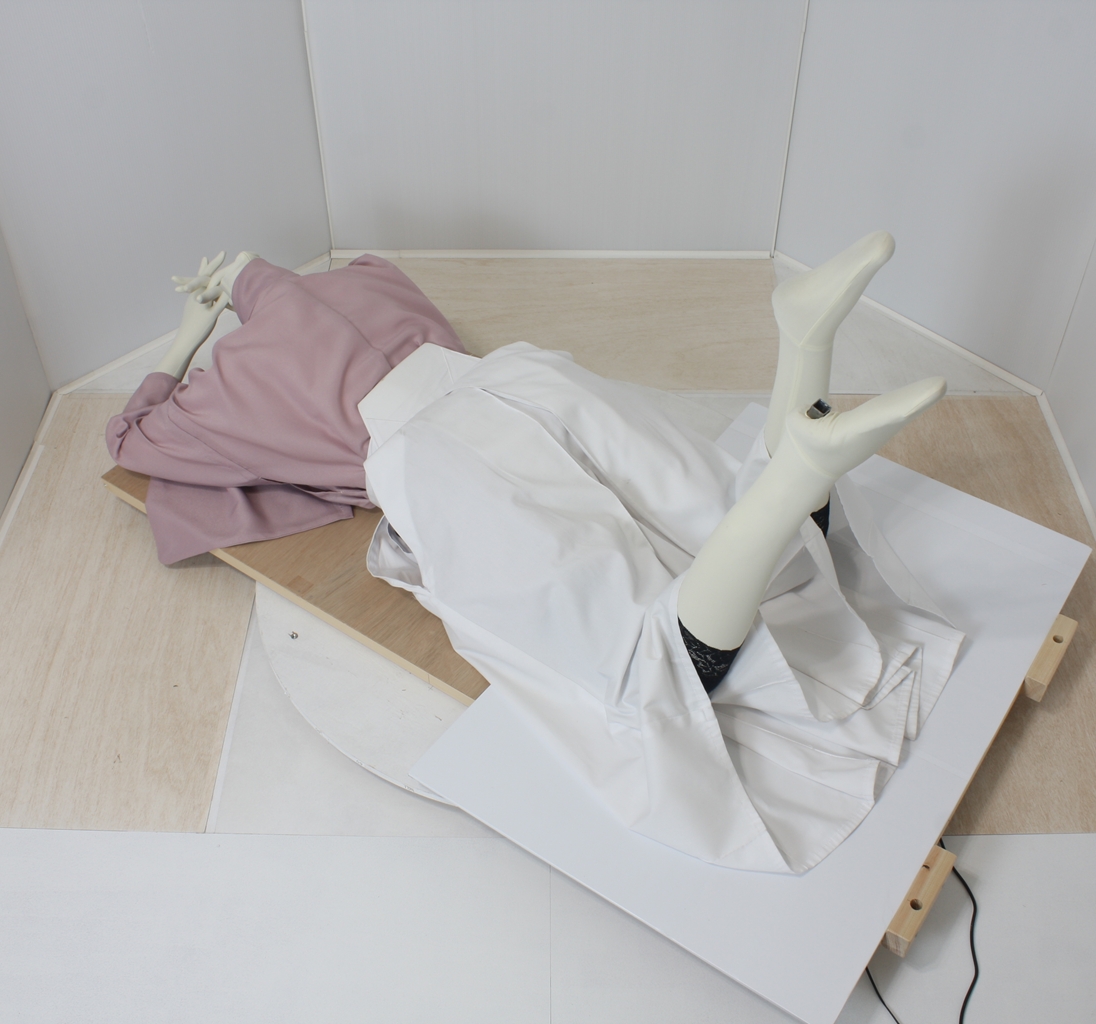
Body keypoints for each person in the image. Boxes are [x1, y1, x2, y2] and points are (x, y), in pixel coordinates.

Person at [108, 235, 957, 872]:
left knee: (636, 666)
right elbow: (284, 289)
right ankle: (802, 347)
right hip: (520, 380)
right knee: (706, 510)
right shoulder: (364, 278)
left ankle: (797, 472)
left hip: (438, 457)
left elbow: (130, 439)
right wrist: (242, 280)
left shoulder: (239, 381)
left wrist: (185, 342)